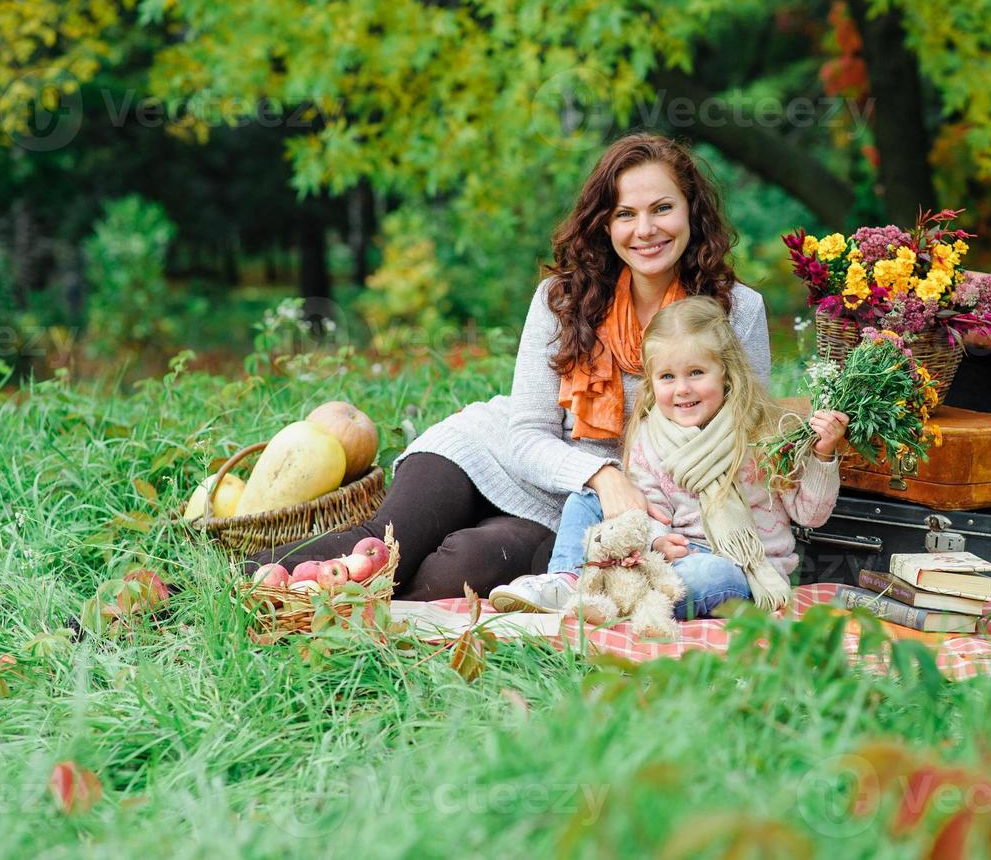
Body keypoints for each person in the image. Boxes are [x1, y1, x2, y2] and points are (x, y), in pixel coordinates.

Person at [243, 134, 771, 600]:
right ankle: (212, 586)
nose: (645, 229)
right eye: (625, 214)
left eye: (662, 208)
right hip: (493, 453)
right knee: (388, 545)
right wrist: (603, 474)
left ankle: (343, 616)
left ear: (691, 211)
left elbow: (745, 437)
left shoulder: (736, 311)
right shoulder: (563, 299)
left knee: (459, 573)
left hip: (570, 511)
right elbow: (525, 434)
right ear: (604, 223)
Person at [489, 296, 847, 619]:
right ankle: (566, 580)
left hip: (740, 566)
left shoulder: (764, 433)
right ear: (652, 381)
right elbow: (651, 506)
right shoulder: (651, 436)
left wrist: (823, 457)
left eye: (696, 372)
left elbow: (809, 515)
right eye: (667, 377)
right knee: (587, 498)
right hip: (666, 556)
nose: (682, 389)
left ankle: (620, 597)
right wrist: (658, 541)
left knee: (708, 574)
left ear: (727, 374)